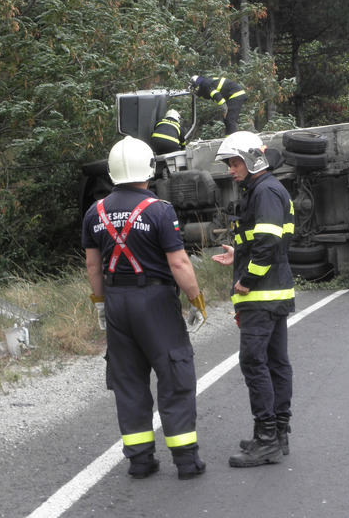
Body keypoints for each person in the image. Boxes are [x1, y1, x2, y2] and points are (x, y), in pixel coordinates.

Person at [81, 136, 209, 480]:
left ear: (111, 172)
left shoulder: (95, 212)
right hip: (154, 303)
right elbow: (179, 263)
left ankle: (140, 461)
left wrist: (100, 305)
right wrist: (196, 298)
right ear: (148, 169)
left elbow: (93, 267)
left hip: (116, 302)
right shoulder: (160, 210)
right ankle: (185, 461)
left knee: (128, 381)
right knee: (174, 375)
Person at [210, 131, 296, 467]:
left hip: (261, 295)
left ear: (252, 158)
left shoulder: (265, 191)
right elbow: (261, 240)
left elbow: (270, 243)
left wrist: (246, 279)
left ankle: (267, 439)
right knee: (275, 362)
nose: (231, 169)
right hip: (272, 291)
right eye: (230, 163)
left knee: (254, 362)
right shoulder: (264, 189)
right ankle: (278, 434)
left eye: (235, 162)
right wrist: (239, 253)